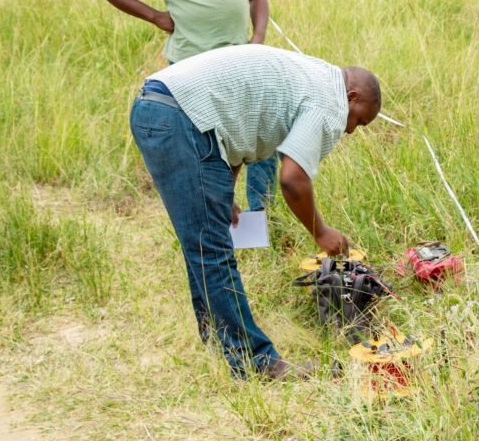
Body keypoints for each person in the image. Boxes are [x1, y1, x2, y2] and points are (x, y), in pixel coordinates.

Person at [129, 44, 381, 378]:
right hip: (176, 117)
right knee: (211, 249)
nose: (350, 130)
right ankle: (256, 362)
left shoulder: (314, 75)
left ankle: (219, 342)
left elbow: (239, 127)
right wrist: (321, 231)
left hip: (162, 109)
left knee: (204, 244)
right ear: (351, 96)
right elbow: (292, 179)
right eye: (358, 120)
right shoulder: (330, 101)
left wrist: (225, 191)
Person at [95, 0, 280, 210]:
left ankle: (262, 215)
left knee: (263, 137)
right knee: (208, 146)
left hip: (242, 61)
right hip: (191, 69)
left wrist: (258, 39)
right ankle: (216, 211)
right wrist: (155, 16)